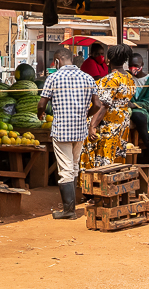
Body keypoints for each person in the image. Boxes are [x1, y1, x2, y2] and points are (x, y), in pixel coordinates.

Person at [37, 48, 99, 220]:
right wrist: (86, 114)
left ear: (57, 61)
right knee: (73, 167)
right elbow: (98, 104)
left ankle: (69, 210)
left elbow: (42, 104)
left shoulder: (54, 78)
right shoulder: (87, 78)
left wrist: (39, 114)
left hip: (61, 130)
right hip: (80, 130)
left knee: (65, 169)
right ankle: (72, 206)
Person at [82, 44, 136, 170]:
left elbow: (103, 105)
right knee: (116, 155)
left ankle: (102, 187)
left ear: (108, 60)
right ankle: (115, 184)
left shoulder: (110, 79)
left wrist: (93, 126)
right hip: (122, 121)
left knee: (105, 157)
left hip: (109, 123)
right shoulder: (129, 78)